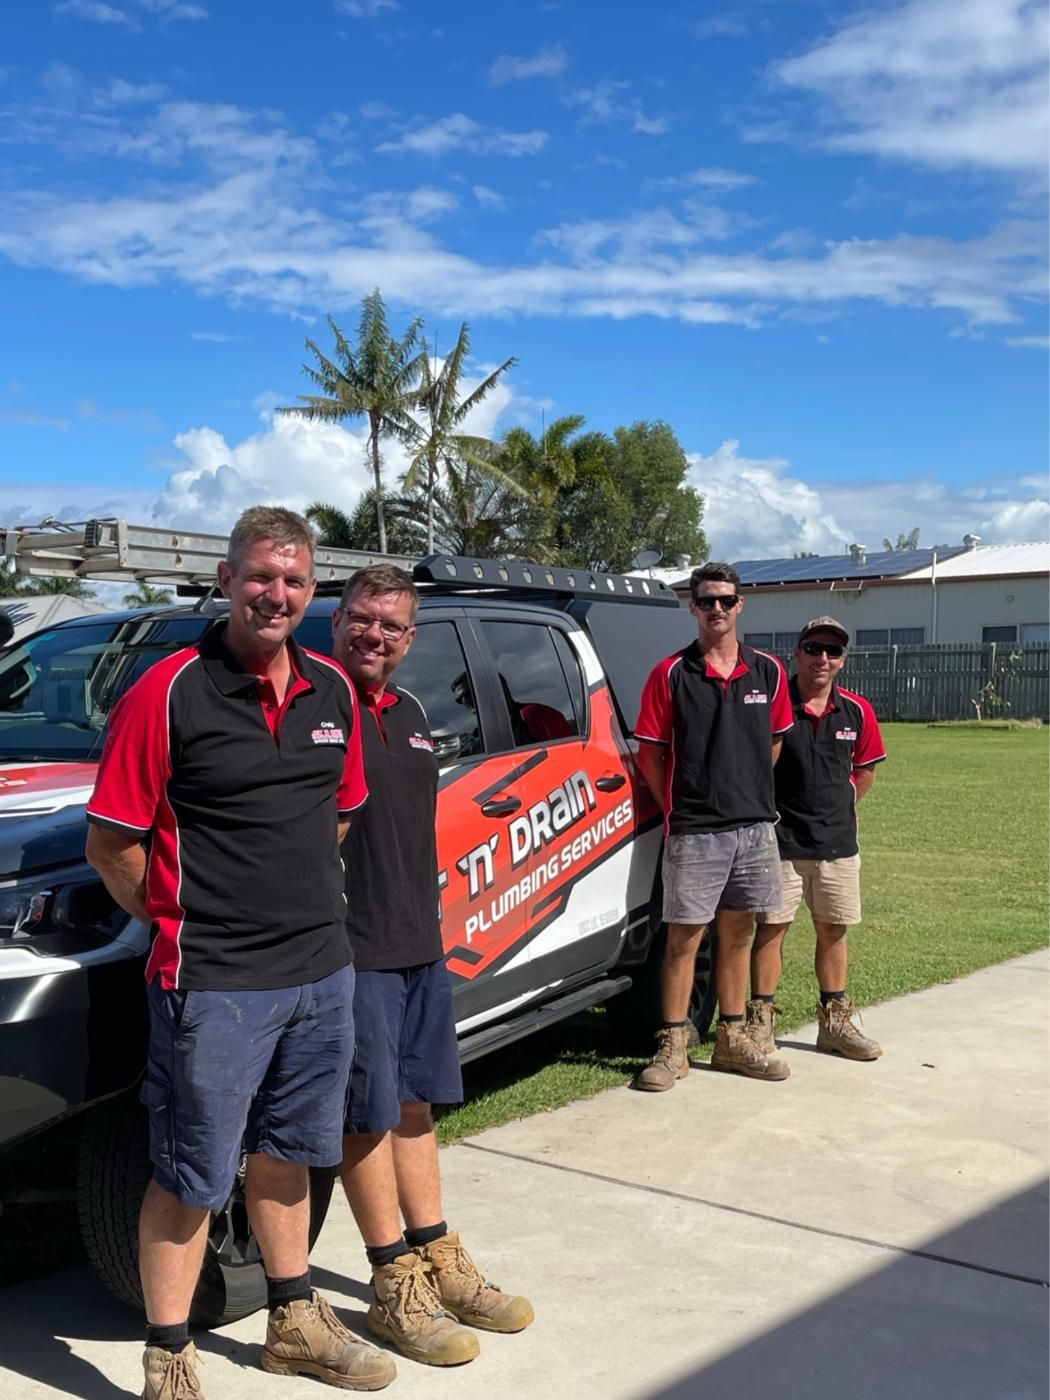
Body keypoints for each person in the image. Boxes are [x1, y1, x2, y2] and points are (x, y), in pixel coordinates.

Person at [85, 507, 395, 1400]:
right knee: (191, 1172)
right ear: (226, 580)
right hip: (214, 982)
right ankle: (169, 1356)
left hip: (320, 971)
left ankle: (293, 1320)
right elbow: (114, 843)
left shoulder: (333, 690)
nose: (278, 594)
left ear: (312, 591)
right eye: (262, 576)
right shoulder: (169, 690)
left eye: (295, 581)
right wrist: (190, 917)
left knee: (290, 1151)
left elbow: (336, 815)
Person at [331, 565, 534, 1367]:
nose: (373, 635)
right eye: (361, 619)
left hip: (419, 942)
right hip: (350, 950)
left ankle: (437, 1256)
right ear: (337, 619)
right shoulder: (316, 702)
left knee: (415, 1107)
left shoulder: (411, 712)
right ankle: (393, 1283)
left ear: (411, 638)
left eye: (391, 625)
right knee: (365, 1114)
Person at [633, 561, 794, 1090]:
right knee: (684, 938)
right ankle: (673, 1044)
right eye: (707, 601)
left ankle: (730, 1039)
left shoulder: (766, 671)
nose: (717, 609)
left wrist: (743, 790)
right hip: (695, 829)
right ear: (693, 607)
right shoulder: (670, 673)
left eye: (726, 600)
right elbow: (650, 754)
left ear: (740, 605)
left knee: (738, 935)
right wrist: (678, 806)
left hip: (754, 828)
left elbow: (772, 744)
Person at [750, 616, 886, 1060]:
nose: (822, 659)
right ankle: (760, 1024)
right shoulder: (773, 705)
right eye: (813, 648)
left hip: (837, 845)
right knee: (772, 930)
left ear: (843, 660)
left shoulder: (858, 711)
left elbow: (863, 770)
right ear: (797, 653)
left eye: (832, 651)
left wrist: (841, 805)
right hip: (780, 841)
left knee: (833, 929)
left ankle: (835, 1024)